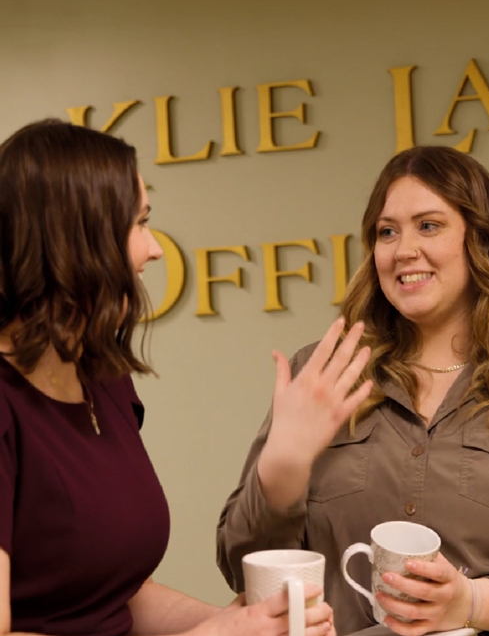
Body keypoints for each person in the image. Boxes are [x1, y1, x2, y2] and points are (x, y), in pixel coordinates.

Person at [217, 145, 489, 636]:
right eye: (387, 231)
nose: (402, 250)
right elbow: (243, 572)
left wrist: (475, 602)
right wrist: (281, 474)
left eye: (429, 225)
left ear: (480, 240)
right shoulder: (324, 374)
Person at [0, 119, 336, 636]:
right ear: (78, 240)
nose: (155, 249)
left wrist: (239, 622)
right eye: (139, 224)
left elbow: (114, 598)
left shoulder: (102, 379)